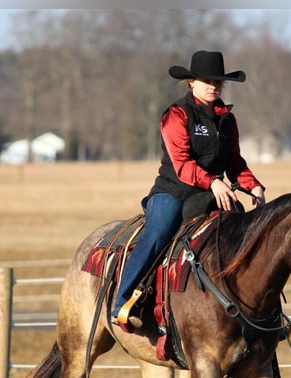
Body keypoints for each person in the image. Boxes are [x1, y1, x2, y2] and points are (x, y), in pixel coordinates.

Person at [111, 50, 266, 329]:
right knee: (158, 232)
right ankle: (122, 301)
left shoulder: (227, 120)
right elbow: (181, 163)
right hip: (173, 191)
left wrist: (252, 185)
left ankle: (258, 313)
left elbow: (234, 161)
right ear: (191, 83)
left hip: (209, 193)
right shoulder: (176, 114)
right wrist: (213, 181)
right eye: (207, 81)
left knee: (246, 231)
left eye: (218, 82)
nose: (213, 86)